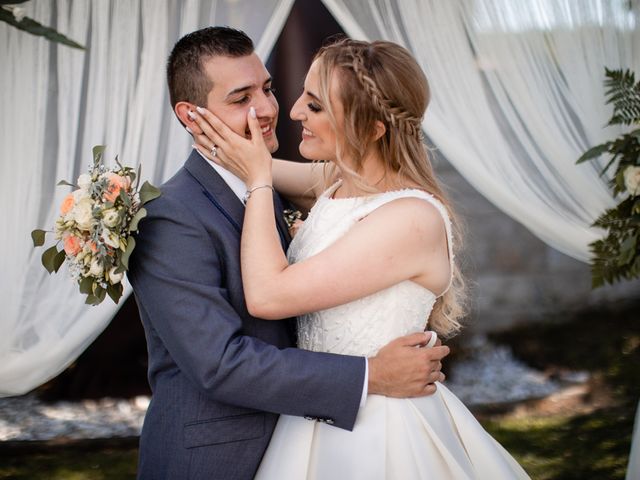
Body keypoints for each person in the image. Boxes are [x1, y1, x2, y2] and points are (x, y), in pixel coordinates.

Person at [190, 37, 531, 478]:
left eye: (315, 107)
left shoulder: (410, 218)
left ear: (371, 129)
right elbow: (245, 159)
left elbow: (268, 295)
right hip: (314, 413)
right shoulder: (337, 181)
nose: (293, 113)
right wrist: (208, 123)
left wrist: (258, 182)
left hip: (379, 429)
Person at [128, 27, 449, 479]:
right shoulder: (172, 216)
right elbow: (221, 364)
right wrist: (371, 374)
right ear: (191, 115)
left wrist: (255, 171)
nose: (271, 110)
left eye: (268, 89)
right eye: (241, 99)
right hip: (215, 458)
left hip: (331, 437)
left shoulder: (283, 187)